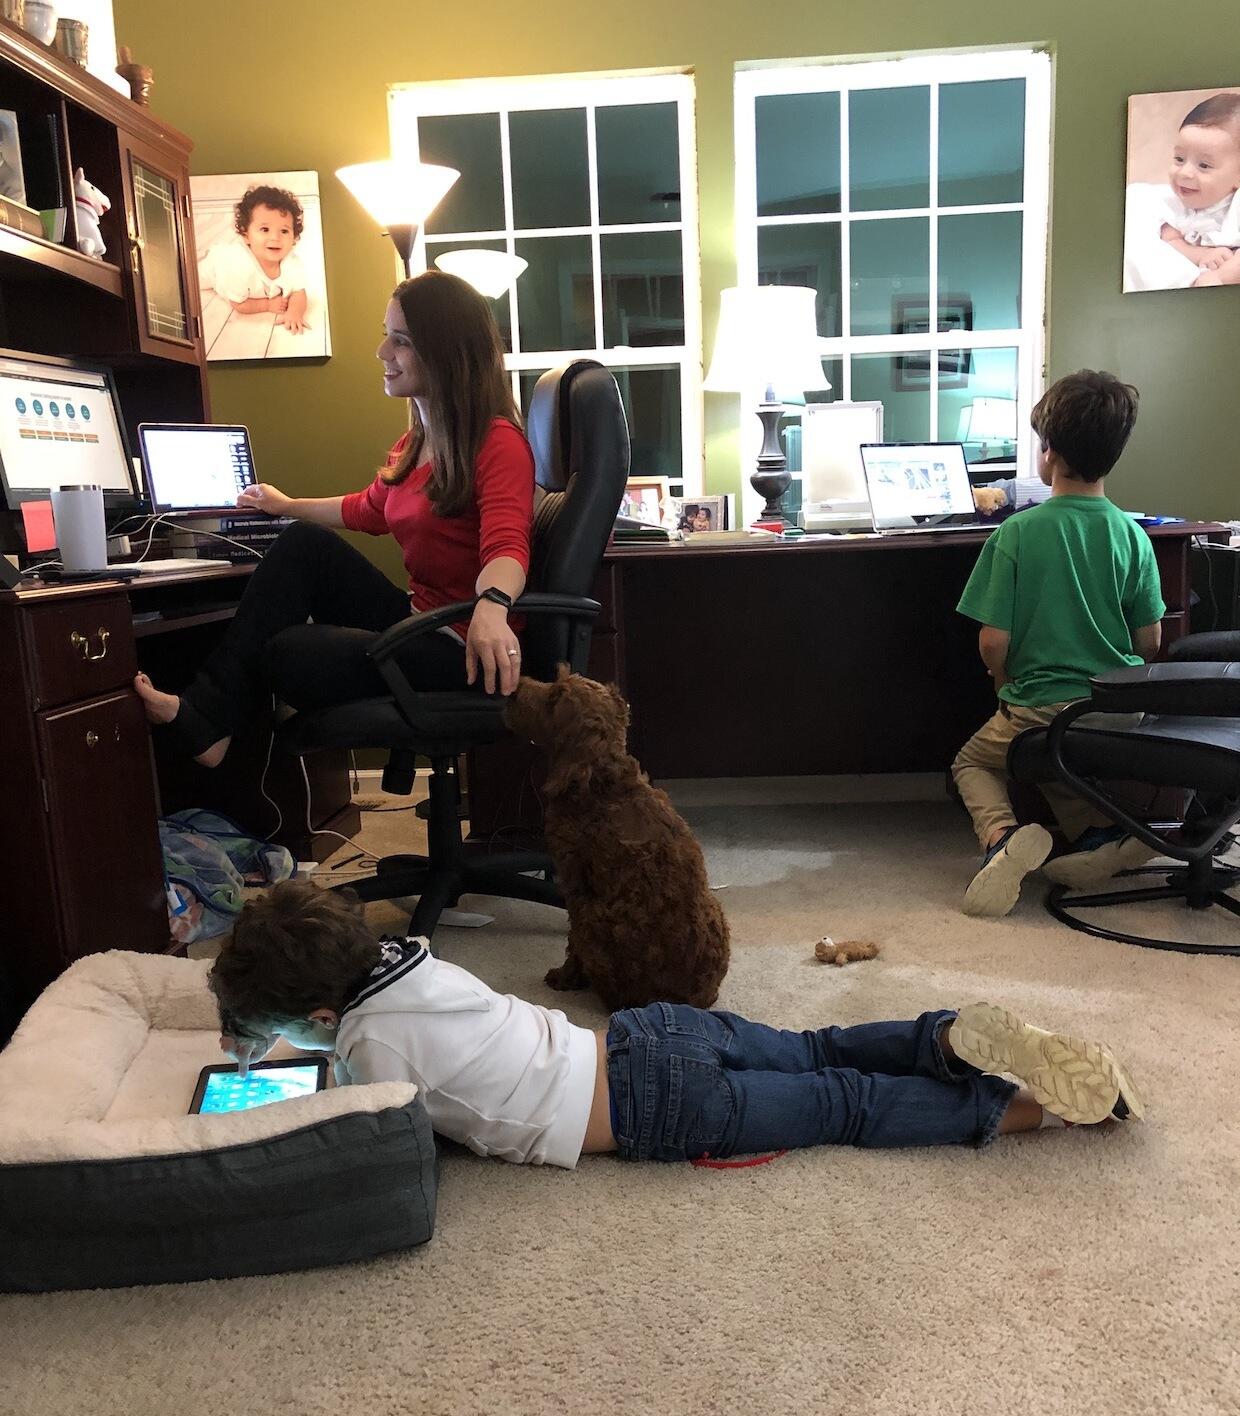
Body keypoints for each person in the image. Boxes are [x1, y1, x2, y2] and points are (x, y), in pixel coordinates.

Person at [209, 882, 1143, 1171]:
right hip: (652, 1034)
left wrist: (289, 1070)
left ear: (325, 1017)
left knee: (842, 1107)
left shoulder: (370, 1050)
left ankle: (1030, 1111)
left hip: (656, 1107)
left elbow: (366, 1129)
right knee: (818, 1049)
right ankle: (945, 1040)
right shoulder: (417, 961)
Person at [134, 270, 534, 767]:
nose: (383, 352)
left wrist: (492, 608)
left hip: (462, 646)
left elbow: (507, 547)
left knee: (289, 653)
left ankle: (211, 721)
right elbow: (368, 509)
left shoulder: (497, 442)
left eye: (402, 341)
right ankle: (209, 718)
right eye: (386, 335)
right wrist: (283, 506)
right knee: (303, 545)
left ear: (446, 353)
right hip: (419, 622)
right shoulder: (414, 445)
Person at [951, 370, 1166, 919]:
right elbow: (1151, 638)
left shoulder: (1017, 533)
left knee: (974, 762)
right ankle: (1098, 840)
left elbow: (992, 640)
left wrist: (1003, 685)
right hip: (1114, 709)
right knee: (1056, 754)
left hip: (1040, 705)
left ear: (1047, 452)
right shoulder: (1132, 534)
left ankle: (1000, 837)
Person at [1154, 94, 1240, 289]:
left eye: (1204, 165)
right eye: (1179, 159)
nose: (1185, 173)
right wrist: (1202, 255)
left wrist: (1221, 277)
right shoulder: (1171, 202)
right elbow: (1170, 240)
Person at [203, 184, 312, 334]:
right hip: (213, 269)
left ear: (294, 238)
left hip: (226, 258)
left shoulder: (291, 262)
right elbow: (238, 303)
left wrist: (294, 313)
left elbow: (299, 293)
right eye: (265, 229)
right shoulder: (238, 267)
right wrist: (267, 305)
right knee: (191, 277)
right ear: (246, 235)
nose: (275, 237)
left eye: (284, 231)